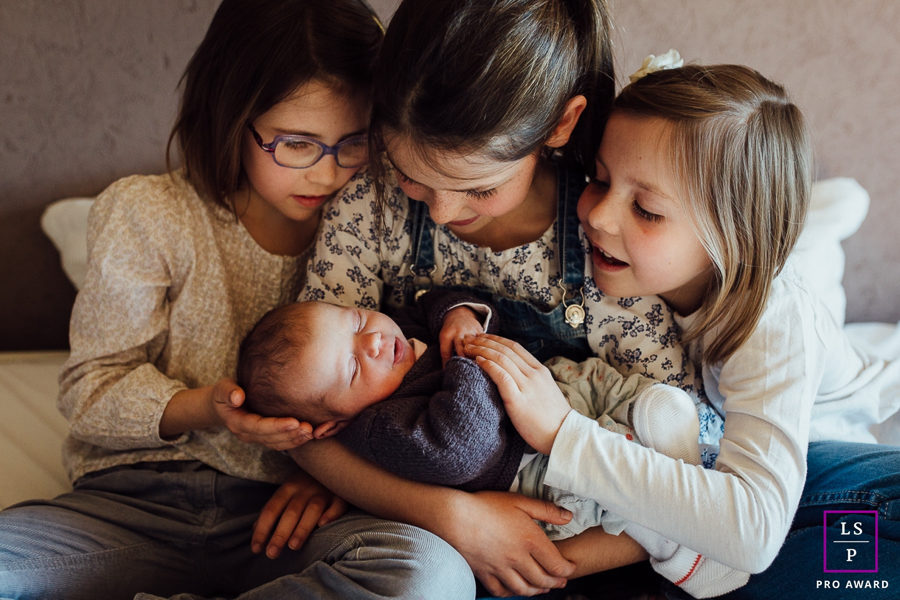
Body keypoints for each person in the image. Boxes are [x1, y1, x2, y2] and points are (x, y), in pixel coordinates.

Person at [0, 2, 477, 599]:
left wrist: (342, 479)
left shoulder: (379, 224)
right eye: (296, 144)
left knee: (431, 576)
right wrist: (209, 409)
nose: (327, 175)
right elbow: (90, 392)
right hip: (132, 505)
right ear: (232, 114)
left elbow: (414, 379)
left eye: (353, 143)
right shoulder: (148, 214)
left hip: (295, 520)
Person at [292, 0, 708, 596]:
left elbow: (688, 456)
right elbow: (303, 424)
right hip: (422, 533)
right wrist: (458, 523)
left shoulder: (605, 239)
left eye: (478, 188)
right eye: (413, 175)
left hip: (583, 540)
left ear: (559, 125)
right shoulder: (371, 206)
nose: (440, 212)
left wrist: (542, 564)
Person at [464, 59, 900, 599]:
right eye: (599, 179)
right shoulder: (626, 264)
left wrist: (564, 436)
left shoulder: (773, 324)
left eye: (646, 209)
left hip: (838, 442)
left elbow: (754, 531)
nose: (598, 215)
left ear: (731, 238)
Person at [239, 291, 748, 598]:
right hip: (526, 468)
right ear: (332, 425)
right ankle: (678, 545)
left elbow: (437, 300)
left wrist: (457, 315)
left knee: (612, 387)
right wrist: (466, 359)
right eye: (352, 366)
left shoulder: (392, 343)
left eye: (353, 320)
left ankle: (664, 436)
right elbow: (461, 450)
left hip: (552, 389)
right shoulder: (378, 428)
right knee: (595, 497)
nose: (371, 340)